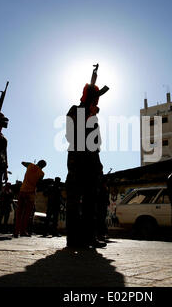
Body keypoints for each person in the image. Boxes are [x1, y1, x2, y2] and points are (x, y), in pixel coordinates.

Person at [65, 78, 107, 249]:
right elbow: (70, 135)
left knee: (91, 200)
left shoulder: (93, 115)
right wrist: (87, 115)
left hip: (92, 160)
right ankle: (73, 239)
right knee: (74, 200)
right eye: (94, 97)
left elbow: (97, 141)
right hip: (77, 158)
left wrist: (98, 163)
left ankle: (89, 237)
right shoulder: (75, 110)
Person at [13, 160, 46, 238]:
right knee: (27, 214)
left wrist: (31, 165)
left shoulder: (30, 165)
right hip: (30, 193)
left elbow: (22, 162)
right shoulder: (41, 173)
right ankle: (23, 231)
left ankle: (16, 231)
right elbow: (39, 183)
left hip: (22, 191)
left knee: (19, 213)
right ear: (43, 167)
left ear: (38, 162)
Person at [96, 177, 110, 241]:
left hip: (103, 206)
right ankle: (101, 234)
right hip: (100, 206)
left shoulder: (105, 188)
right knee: (100, 220)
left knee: (101, 220)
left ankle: (102, 233)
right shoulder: (101, 188)